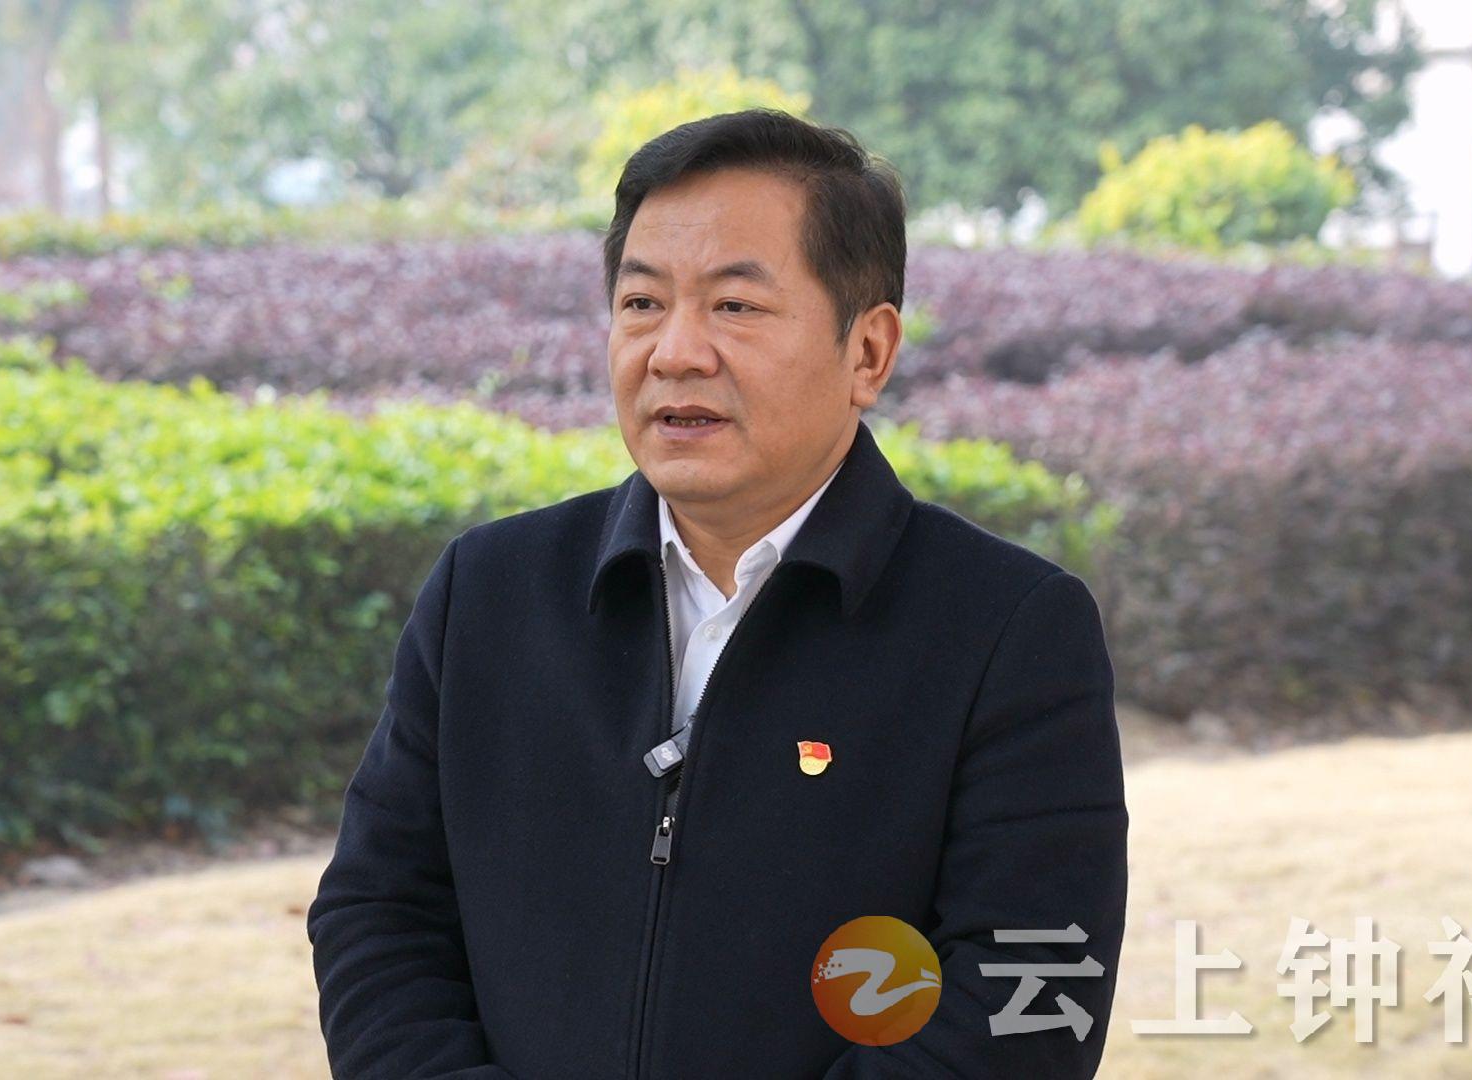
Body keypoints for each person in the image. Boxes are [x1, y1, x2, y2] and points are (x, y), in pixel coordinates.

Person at [308, 108, 1128, 1079]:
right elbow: (380, 913)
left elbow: (1034, 987)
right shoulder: (487, 595)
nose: (675, 352)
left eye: (734, 306)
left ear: (868, 353)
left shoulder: (1006, 629)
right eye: (642, 302)